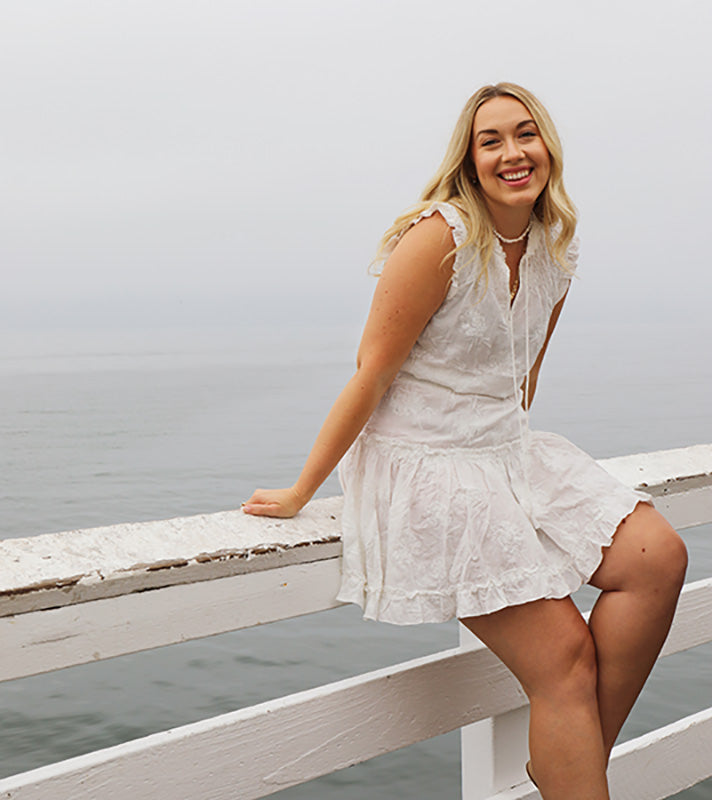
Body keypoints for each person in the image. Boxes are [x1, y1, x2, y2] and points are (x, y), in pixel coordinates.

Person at [242, 83, 687, 799]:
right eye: (491, 141)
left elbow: (522, 380)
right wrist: (303, 489)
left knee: (659, 557)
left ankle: (568, 761)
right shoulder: (437, 237)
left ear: (548, 148)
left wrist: (526, 495)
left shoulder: (553, 251)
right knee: (565, 663)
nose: (512, 153)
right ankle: (574, 767)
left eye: (525, 134)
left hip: (506, 453)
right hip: (428, 466)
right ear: (470, 159)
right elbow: (372, 372)